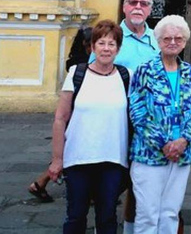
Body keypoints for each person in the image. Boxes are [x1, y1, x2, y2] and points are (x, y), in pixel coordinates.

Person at [88, 0, 159, 234]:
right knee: (108, 180)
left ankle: (130, 229)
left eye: (143, 3)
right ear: (124, 6)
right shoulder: (112, 38)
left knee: (139, 182)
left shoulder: (156, 41)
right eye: (133, 2)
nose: (138, 7)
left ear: (150, 9)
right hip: (113, 119)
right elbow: (91, 75)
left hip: (146, 123)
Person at [49, 20, 130, 234]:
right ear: (92, 47)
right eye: (101, 43)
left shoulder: (125, 76)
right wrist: (57, 159)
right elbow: (60, 118)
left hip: (113, 159)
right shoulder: (77, 73)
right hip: (79, 158)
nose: (106, 49)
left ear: (118, 49)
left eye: (111, 44)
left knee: (107, 216)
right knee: (76, 216)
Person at [129, 15, 191, 234]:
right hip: (149, 154)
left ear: (185, 41)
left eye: (178, 39)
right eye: (167, 38)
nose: (173, 42)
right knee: (147, 215)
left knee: (170, 212)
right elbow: (138, 111)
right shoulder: (145, 70)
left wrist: (183, 141)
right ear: (159, 40)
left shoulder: (190, 73)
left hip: (181, 153)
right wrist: (163, 143)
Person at [28, 26, 94, 202]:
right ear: (87, 45)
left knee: (70, 153)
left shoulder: (76, 62)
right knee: (73, 154)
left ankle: (40, 182)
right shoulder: (82, 66)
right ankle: (41, 182)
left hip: (76, 115)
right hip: (78, 117)